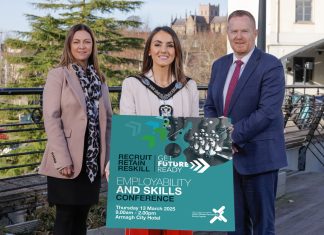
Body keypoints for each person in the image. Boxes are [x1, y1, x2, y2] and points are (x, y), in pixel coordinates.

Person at [204, 10, 287, 235]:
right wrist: (219, 134)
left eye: (244, 31)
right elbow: (210, 105)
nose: (239, 36)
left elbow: (267, 112)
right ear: (227, 33)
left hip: (260, 157)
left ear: (255, 33)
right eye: (234, 31)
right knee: (234, 227)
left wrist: (230, 136)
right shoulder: (219, 65)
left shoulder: (271, 65)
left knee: (263, 227)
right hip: (227, 161)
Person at [120, 26, 199, 235]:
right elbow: (129, 132)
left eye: (170, 45)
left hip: (178, 172)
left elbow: (193, 132)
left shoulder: (189, 86)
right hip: (143, 173)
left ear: (176, 51)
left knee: (178, 230)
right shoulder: (132, 85)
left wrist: (217, 129)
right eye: (157, 44)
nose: (163, 50)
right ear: (149, 50)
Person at [39, 23, 112, 235]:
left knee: (82, 218)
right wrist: (62, 159)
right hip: (66, 159)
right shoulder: (58, 75)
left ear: (93, 46)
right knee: (65, 218)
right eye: (77, 41)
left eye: (87, 42)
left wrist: (108, 159)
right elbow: (51, 119)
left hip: (92, 161)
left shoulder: (100, 79)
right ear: (69, 45)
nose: (82, 46)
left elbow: (108, 120)